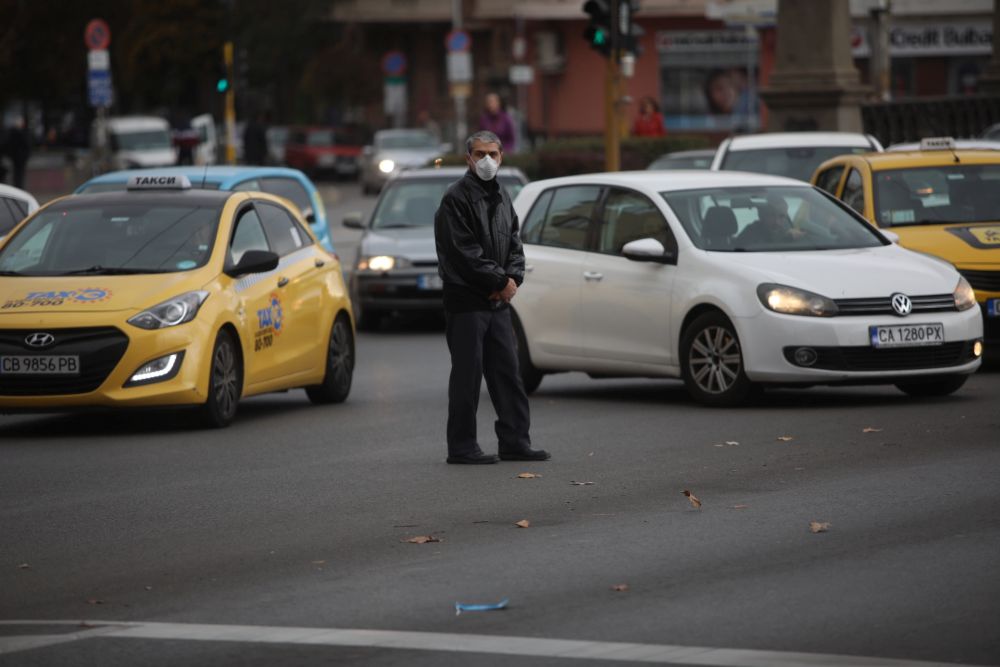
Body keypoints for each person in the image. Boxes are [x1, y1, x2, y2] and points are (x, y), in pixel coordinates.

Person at [433, 130, 549, 465]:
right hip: (467, 301)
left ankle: (514, 441)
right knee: (467, 377)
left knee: (507, 374)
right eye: (480, 154)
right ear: (468, 158)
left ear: (502, 157)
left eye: (493, 154)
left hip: (497, 301)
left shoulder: (502, 197)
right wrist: (500, 280)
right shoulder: (455, 199)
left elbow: (514, 242)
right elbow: (462, 253)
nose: (487, 161)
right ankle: (462, 447)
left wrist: (512, 279)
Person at [5, 117, 31, 189]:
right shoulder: (16, 133)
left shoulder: (19, 132)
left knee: (19, 175)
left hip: (19, 158)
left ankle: (19, 187)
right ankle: (18, 188)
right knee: (17, 175)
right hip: (17, 158)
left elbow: (27, 146)